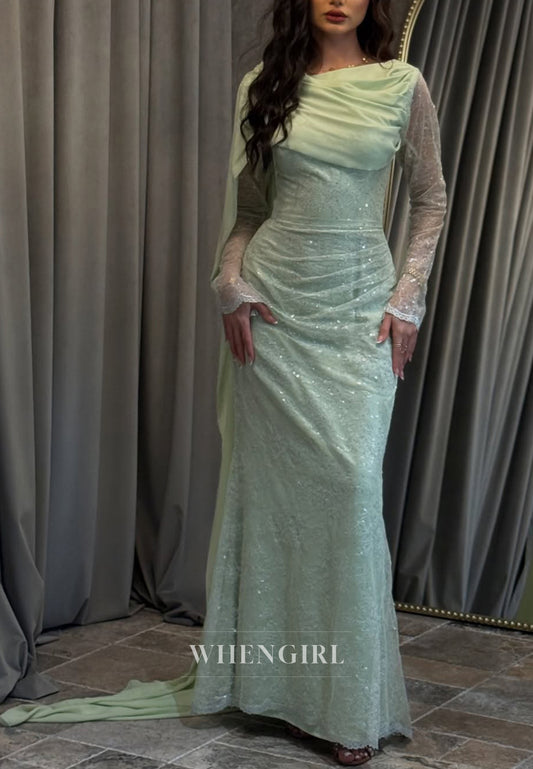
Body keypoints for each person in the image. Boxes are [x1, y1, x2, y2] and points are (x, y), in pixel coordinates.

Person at [0, 0, 446, 765]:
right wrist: (228, 281)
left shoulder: (402, 84)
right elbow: (249, 210)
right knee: (270, 504)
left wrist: (407, 297)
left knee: (348, 490)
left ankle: (344, 701)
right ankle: (273, 689)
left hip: (354, 311)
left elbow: (430, 198)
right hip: (272, 313)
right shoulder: (264, 85)